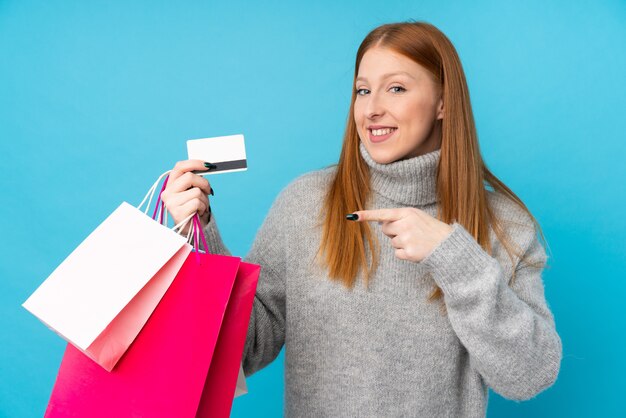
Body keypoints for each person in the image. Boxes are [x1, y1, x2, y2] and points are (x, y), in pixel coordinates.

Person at [161, 21, 561, 418]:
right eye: (363, 90)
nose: (372, 109)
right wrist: (200, 239)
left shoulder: (504, 227)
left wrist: (454, 257)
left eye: (397, 88)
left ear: (444, 102)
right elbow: (241, 352)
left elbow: (528, 376)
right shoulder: (306, 204)